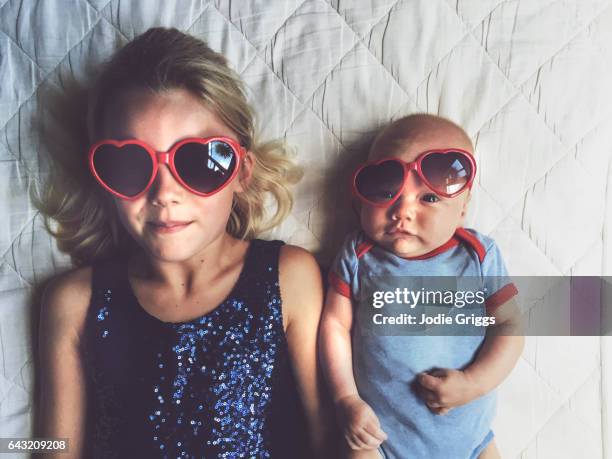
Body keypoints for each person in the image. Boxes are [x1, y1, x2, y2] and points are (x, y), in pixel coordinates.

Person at [37, 27, 327, 458]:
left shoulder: (289, 278)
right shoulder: (72, 301)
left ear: (242, 172)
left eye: (198, 161)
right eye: (130, 164)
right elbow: (50, 445)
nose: (163, 193)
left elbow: (330, 436)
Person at [319, 114, 524, 459]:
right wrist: (346, 399)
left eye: (429, 198)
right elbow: (335, 325)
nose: (403, 211)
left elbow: (511, 326)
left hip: (469, 441)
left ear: (462, 209)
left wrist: (474, 383)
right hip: (380, 441)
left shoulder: (477, 255)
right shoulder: (359, 254)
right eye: (386, 193)